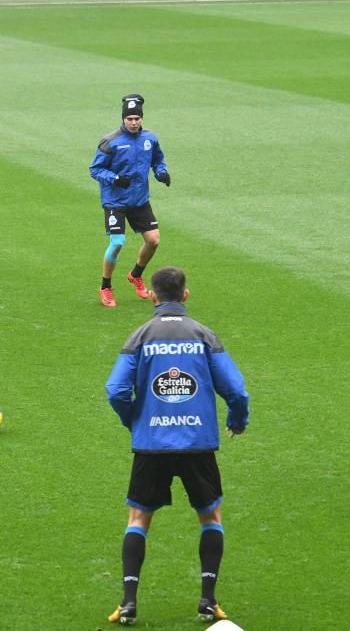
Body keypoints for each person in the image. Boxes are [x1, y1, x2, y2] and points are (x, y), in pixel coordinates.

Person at [105, 266, 249, 626]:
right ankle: (207, 601)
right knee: (210, 517)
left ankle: (127, 604)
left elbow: (116, 390)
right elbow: (236, 389)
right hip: (197, 444)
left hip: (151, 444)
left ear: (152, 296)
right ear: (185, 294)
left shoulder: (140, 336)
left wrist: (134, 421)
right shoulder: (203, 334)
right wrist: (236, 420)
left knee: (138, 519)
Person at [90, 94, 170, 308]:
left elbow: (158, 160)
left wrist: (161, 172)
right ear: (123, 119)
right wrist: (115, 179)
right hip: (115, 201)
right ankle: (105, 287)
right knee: (117, 243)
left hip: (139, 199)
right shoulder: (111, 141)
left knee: (153, 240)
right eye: (129, 119)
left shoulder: (150, 139)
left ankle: (136, 275)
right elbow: (95, 169)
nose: (133, 122)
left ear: (141, 118)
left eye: (137, 118)